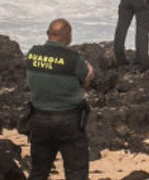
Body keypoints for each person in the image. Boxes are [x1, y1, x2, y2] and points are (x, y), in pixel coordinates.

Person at [25, 18, 94, 180]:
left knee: (38, 172)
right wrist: (89, 71)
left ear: (48, 34)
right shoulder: (74, 59)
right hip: (68, 120)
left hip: (38, 119)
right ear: (67, 36)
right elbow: (85, 81)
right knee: (76, 174)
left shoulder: (33, 53)